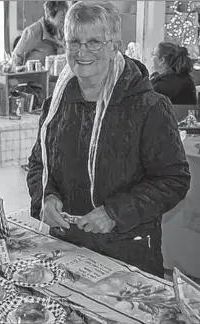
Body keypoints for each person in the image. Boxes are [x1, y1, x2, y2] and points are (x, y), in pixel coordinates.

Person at [26, 1, 190, 278]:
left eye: (94, 42)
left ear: (115, 45)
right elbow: (37, 164)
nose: (82, 51)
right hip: (65, 246)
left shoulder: (148, 107)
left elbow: (173, 180)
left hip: (127, 252)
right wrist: (46, 197)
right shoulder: (56, 105)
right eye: (74, 41)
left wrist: (115, 213)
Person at [12, 1, 68, 66]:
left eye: (66, 14)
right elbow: (16, 59)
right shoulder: (33, 32)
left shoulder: (63, 31)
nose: (65, 18)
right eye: (62, 15)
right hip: (36, 75)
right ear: (50, 13)